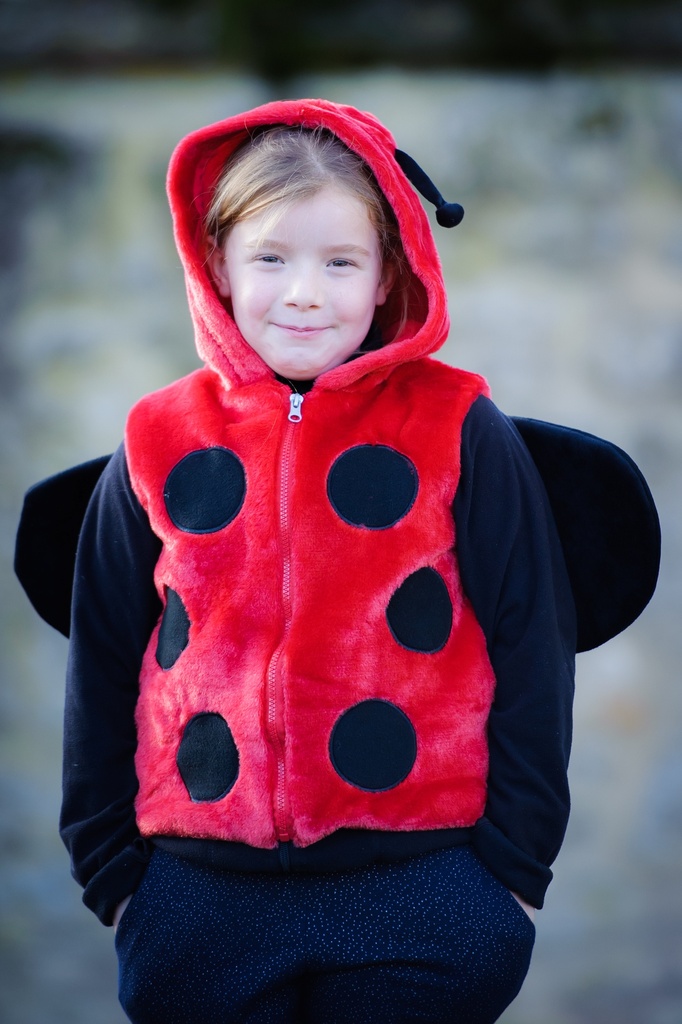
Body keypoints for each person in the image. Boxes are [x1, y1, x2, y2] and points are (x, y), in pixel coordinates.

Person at [59, 99, 576, 1024]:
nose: (304, 292)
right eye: (271, 259)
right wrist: (113, 874)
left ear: (389, 276)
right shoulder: (155, 439)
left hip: (422, 890)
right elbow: (102, 652)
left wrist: (512, 874)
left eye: (341, 262)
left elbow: (532, 639)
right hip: (198, 896)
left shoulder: (458, 426)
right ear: (217, 263)